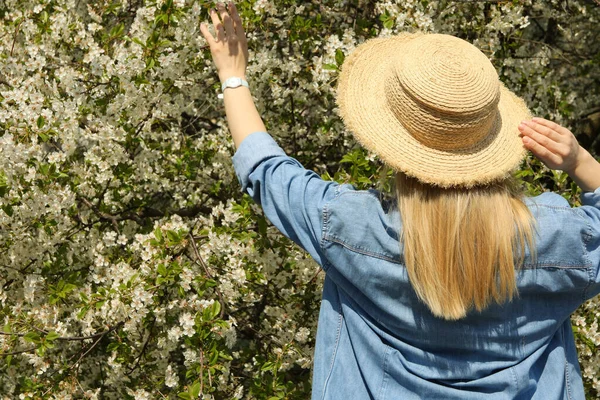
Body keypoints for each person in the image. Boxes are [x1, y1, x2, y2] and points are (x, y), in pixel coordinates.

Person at [200, 3, 600, 399]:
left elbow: (267, 172)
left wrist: (233, 77)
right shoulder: (552, 237)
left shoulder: (350, 226)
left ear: (396, 142)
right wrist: (580, 161)